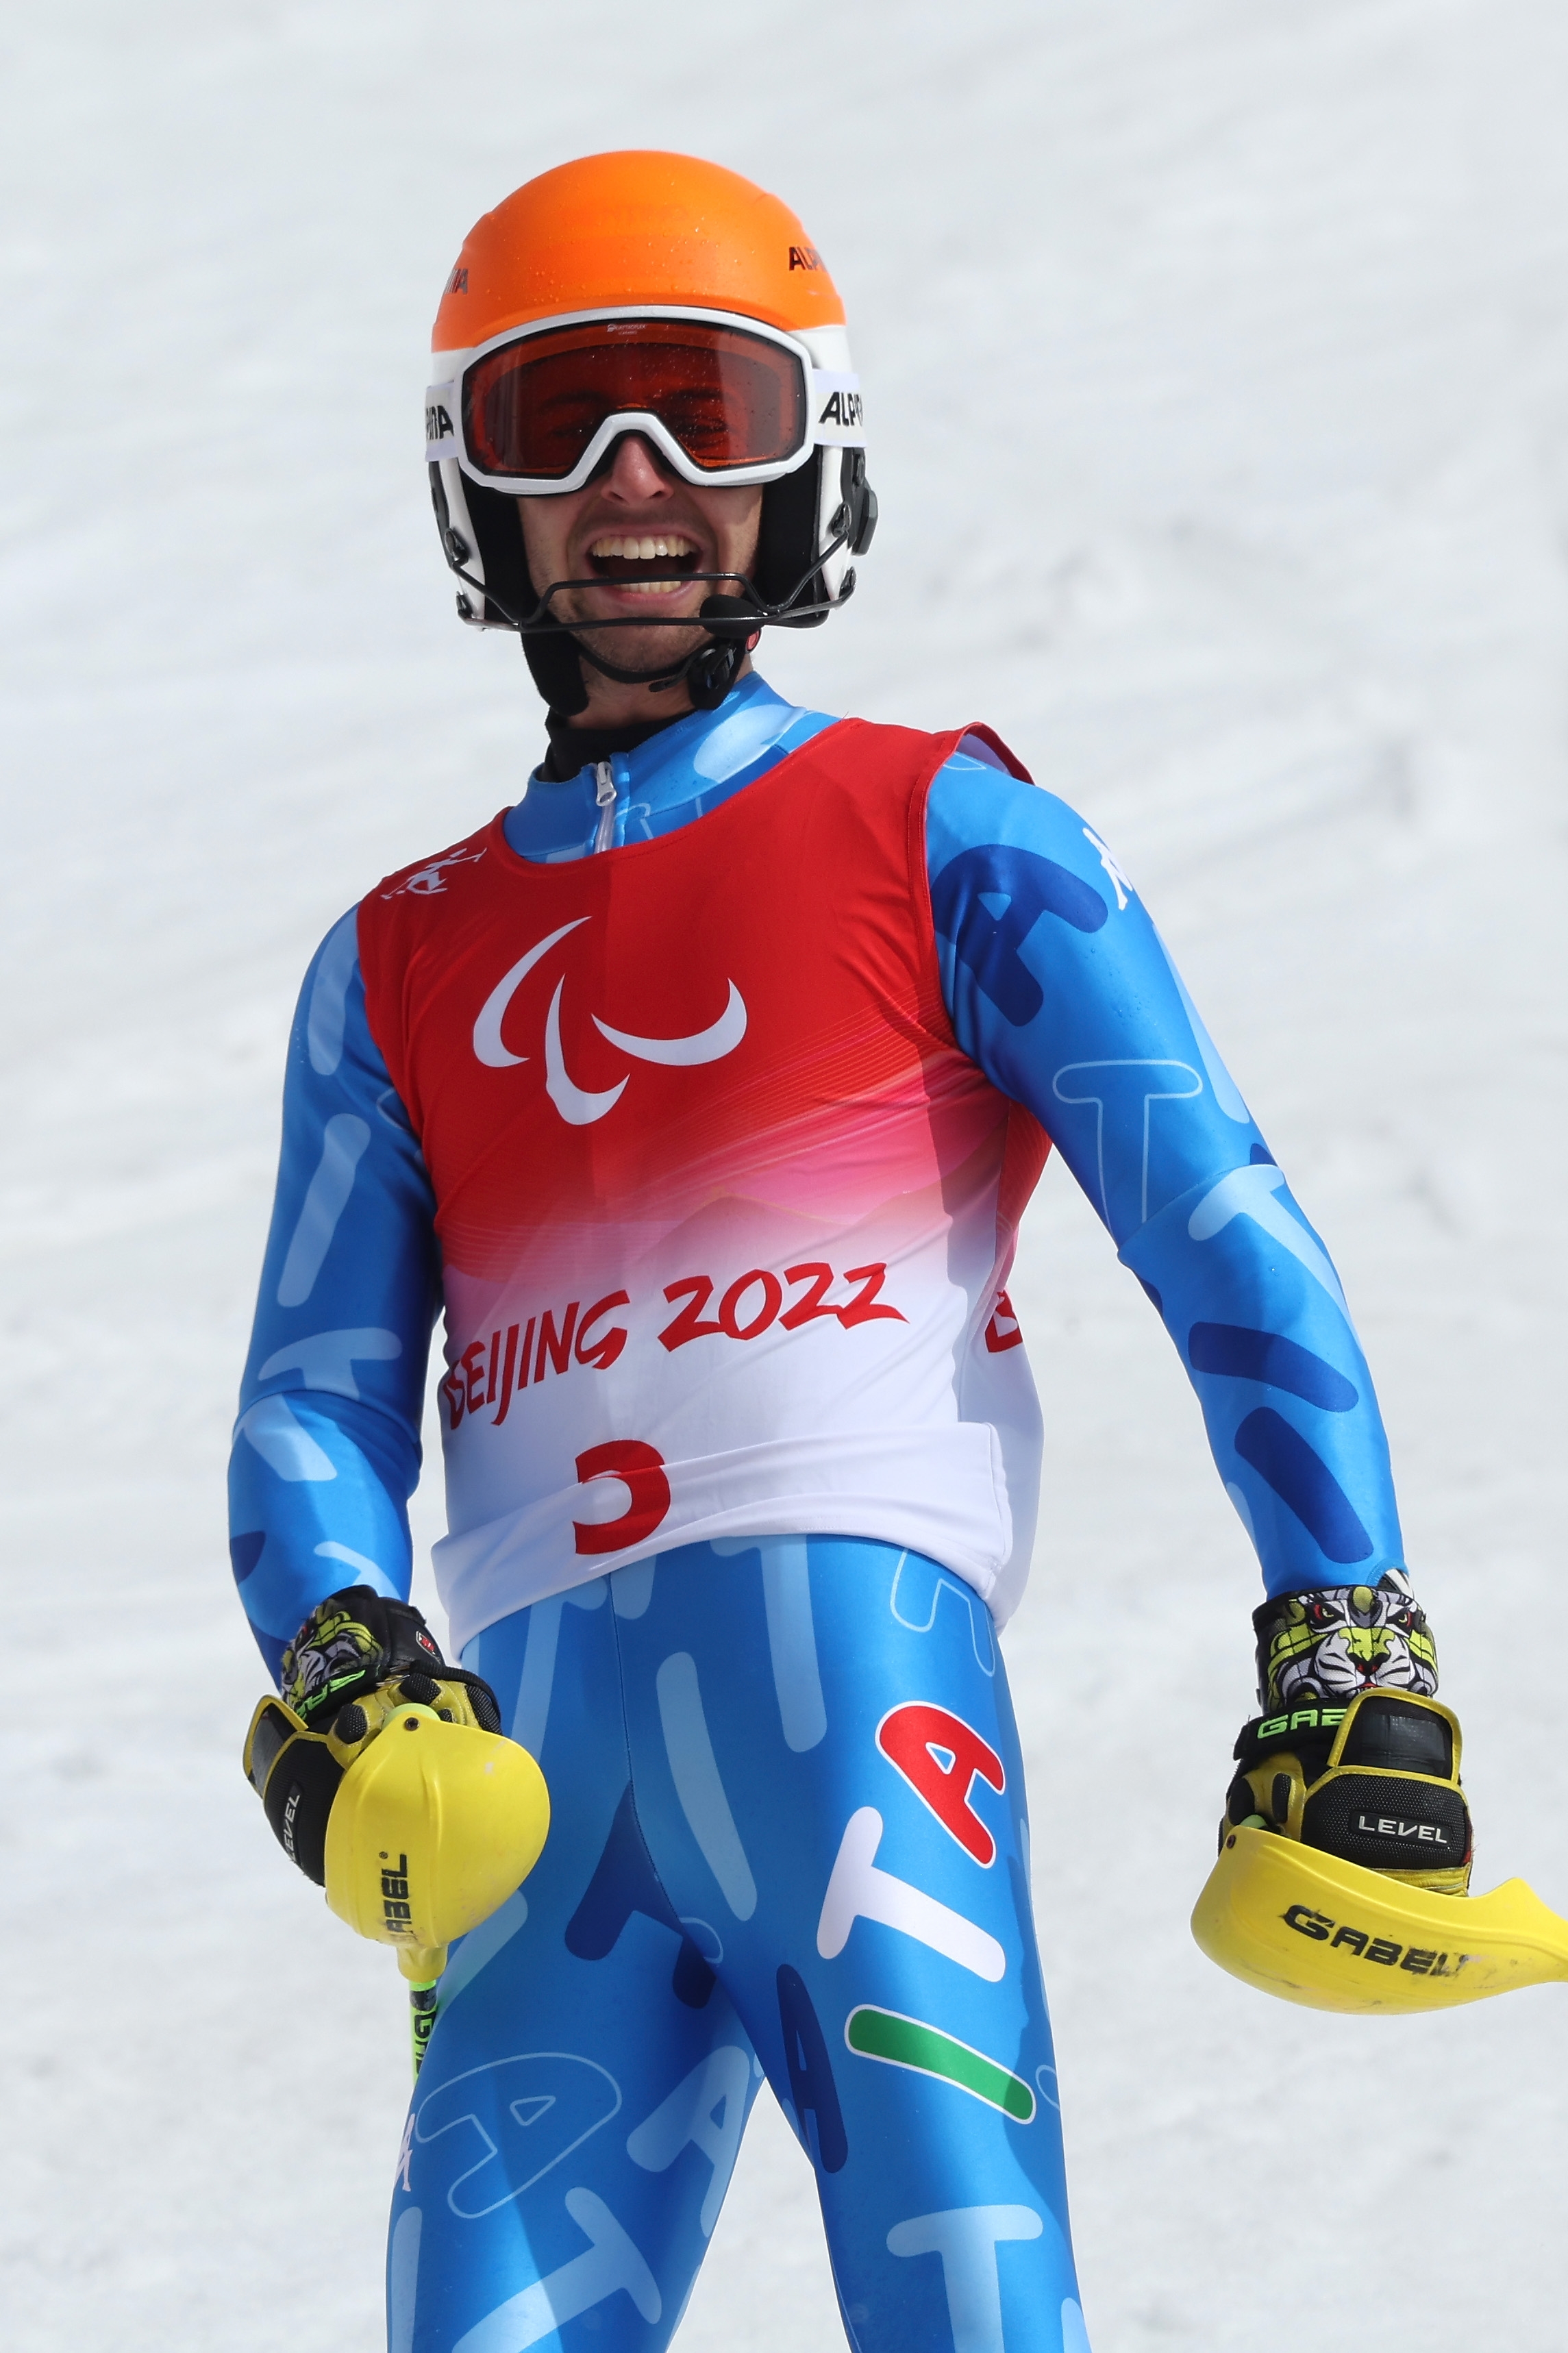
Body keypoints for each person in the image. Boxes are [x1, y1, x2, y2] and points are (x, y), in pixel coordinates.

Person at [231, 151, 1471, 2353]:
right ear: (471, 487)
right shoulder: (394, 958)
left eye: (706, 411)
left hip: (868, 1714)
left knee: (969, 2299)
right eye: (557, 419)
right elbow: (311, 1402)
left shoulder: (942, 828)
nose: (636, 479)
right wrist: (345, 1648)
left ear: (809, 465)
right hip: (532, 1795)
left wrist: (1345, 1633)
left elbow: (1219, 1230)